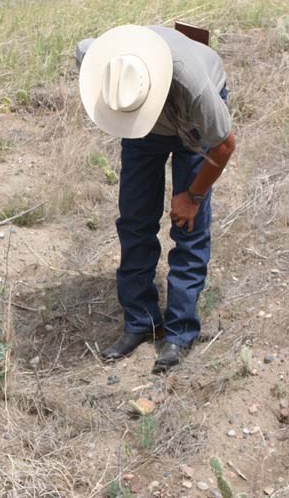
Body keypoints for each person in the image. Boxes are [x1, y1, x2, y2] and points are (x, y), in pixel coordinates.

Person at [77, 24, 235, 373]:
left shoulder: (195, 88)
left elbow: (224, 145)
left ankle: (180, 331)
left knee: (188, 227)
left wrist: (192, 195)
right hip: (142, 128)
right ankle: (140, 321)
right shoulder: (104, 64)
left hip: (190, 124)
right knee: (134, 220)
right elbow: (82, 48)